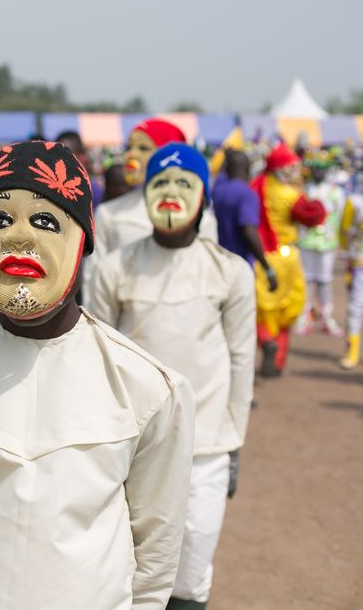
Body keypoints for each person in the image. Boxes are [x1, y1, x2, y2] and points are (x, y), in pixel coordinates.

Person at [0, 140, 195, 610]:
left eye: (46, 221)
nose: (18, 239)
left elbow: (156, 546)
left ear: (83, 240)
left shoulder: (147, 388)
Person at [87, 143, 256, 610]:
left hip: (208, 445)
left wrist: (235, 441)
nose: (170, 194)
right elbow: (95, 354)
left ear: (203, 197)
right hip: (133, 442)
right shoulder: (112, 266)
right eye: (161, 183)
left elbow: (242, 360)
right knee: (130, 564)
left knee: (191, 566)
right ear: (145, 192)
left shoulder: (231, 271)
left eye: (185, 184)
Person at [250, 143, 326, 376]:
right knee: (286, 311)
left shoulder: (257, 188)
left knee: (261, 310)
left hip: (262, 258)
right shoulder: (290, 194)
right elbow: (313, 216)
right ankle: (279, 359)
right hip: (287, 257)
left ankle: (265, 342)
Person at [93, 118, 217, 259]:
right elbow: (94, 276)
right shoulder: (108, 214)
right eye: (129, 147)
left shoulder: (202, 219)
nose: (130, 155)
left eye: (143, 148)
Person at [294, 155, 346, 335]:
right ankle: (304, 315)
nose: (318, 172)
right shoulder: (304, 190)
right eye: (315, 168)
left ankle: (326, 317)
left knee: (324, 279)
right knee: (306, 279)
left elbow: (339, 217)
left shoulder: (335, 192)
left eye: (321, 168)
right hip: (307, 241)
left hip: (326, 243)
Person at [211, 150, 277, 287]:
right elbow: (248, 230)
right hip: (239, 266)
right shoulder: (247, 194)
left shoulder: (216, 191)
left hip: (216, 264)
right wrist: (267, 268)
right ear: (248, 168)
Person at [339, 186, 363, 368]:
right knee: (355, 307)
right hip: (359, 263)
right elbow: (344, 232)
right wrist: (351, 256)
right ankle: (352, 350)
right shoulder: (354, 202)